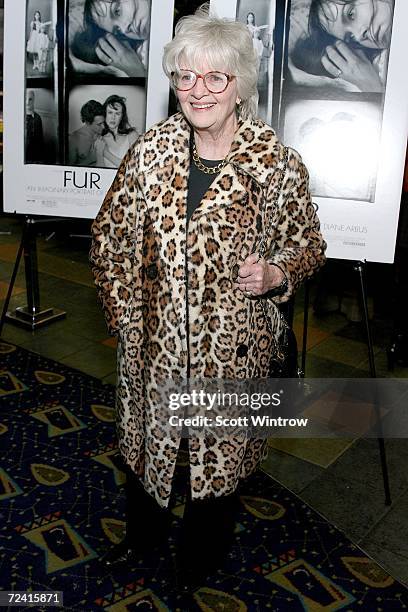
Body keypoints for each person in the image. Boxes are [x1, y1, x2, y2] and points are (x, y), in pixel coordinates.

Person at [90, 6, 326, 591]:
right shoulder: (148, 154)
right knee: (150, 456)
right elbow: (108, 238)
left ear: (239, 83)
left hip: (232, 353)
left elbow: (309, 242)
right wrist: (126, 317)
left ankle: (199, 559)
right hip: (154, 350)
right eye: (185, 77)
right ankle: (141, 540)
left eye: (215, 77)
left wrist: (276, 273)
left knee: (213, 466)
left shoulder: (274, 165)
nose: (199, 92)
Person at [292, 0, 394, 92]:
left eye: (351, 14)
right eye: (351, 37)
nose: (359, 36)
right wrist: (372, 87)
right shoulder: (383, 65)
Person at [70, 0, 150, 77]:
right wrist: (136, 71)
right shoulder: (144, 53)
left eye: (117, 11)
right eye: (118, 30)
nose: (124, 29)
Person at [95, 95, 138, 168]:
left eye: (117, 113)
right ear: (104, 114)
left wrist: (105, 153)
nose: (113, 117)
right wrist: (99, 152)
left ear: (122, 117)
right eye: (110, 112)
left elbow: (133, 166)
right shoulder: (98, 138)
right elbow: (98, 170)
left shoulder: (132, 135)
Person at [69, 100, 105, 166]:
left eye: (103, 122)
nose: (103, 127)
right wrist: (91, 158)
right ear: (88, 122)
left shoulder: (104, 135)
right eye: (99, 124)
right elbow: (68, 169)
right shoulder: (73, 139)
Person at [25, 90, 44, 164]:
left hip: (35, 155)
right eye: (26, 99)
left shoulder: (38, 117)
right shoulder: (19, 116)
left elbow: (40, 139)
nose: (27, 102)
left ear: (33, 100)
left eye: (30, 99)